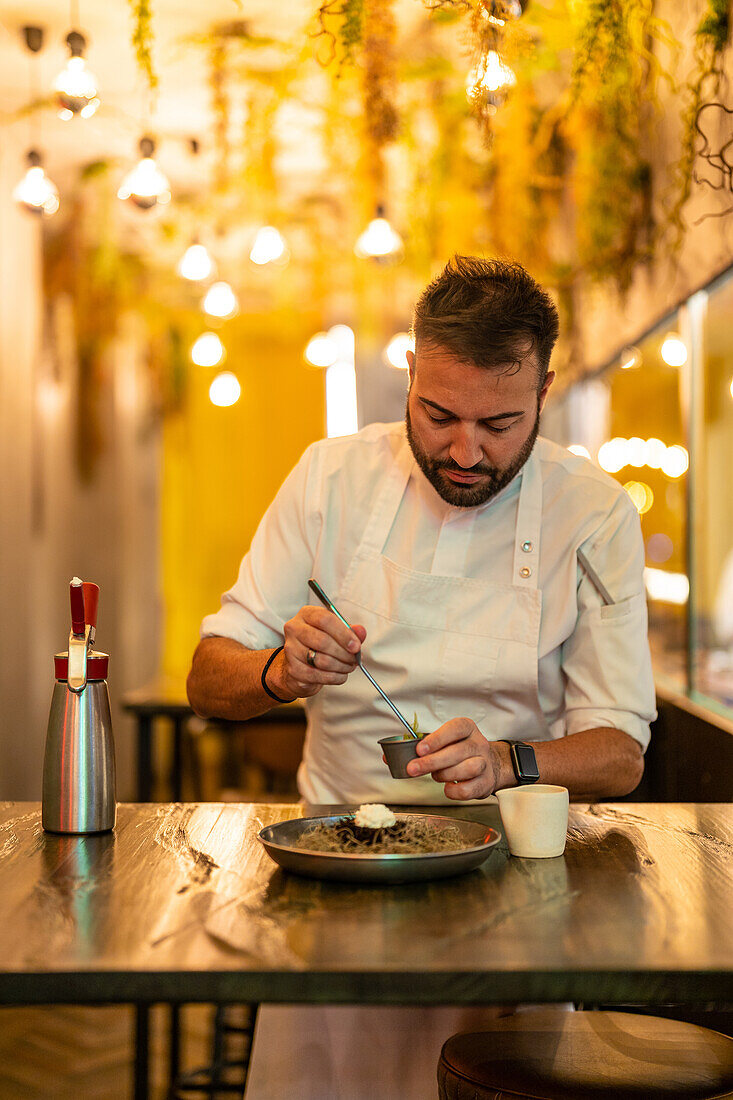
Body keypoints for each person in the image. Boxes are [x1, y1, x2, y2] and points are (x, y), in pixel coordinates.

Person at [187, 256, 656, 1100]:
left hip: (515, 892)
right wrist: (276, 669)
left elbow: (621, 752)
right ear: (408, 370)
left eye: (499, 423)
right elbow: (206, 680)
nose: (464, 450)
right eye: (438, 414)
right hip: (333, 876)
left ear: (545, 390)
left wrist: (510, 762)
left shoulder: (594, 512)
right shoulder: (329, 477)